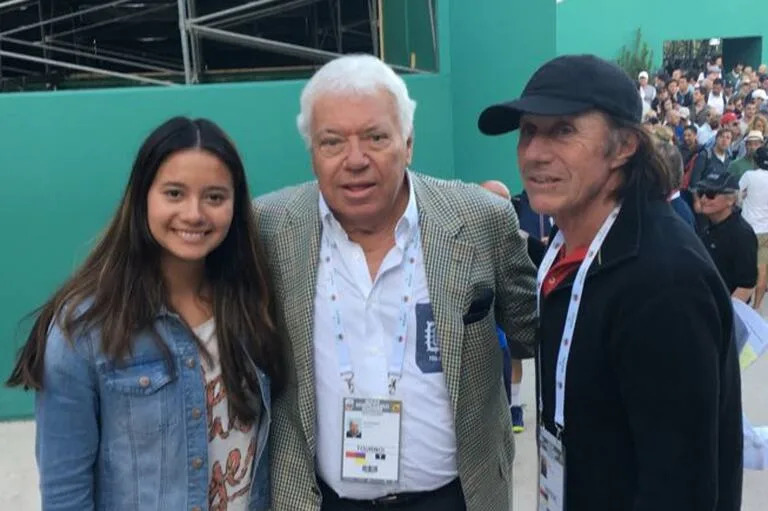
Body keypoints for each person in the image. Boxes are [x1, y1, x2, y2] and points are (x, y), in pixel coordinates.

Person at [254, 54, 538, 511]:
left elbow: (533, 329)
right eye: (332, 142)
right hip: (321, 500)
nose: (355, 159)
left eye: (375, 137)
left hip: (456, 498)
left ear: (407, 143)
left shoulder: (481, 219)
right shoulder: (268, 228)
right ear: (312, 153)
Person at [478, 54, 742, 510]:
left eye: (563, 130)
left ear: (624, 147)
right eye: (529, 131)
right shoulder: (574, 249)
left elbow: (679, 486)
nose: (536, 152)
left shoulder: (662, 280)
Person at [5, 117, 284, 511]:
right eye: (174, 193)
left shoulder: (250, 304)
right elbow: (65, 492)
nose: (194, 214)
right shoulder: (85, 328)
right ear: (142, 198)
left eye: (215, 197)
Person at [480, 180, 529, 434]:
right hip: (476, 335)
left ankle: (515, 407)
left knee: (513, 357)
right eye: (495, 201)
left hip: (504, 332)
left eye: (506, 202)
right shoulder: (461, 238)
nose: (502, 208)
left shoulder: (517, 239)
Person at [695, 172, 757, 302]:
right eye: (701, 192)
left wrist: (726, 314)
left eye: (711, 194)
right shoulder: (706, 223)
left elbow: (746, 286)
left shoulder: (742, 234)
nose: (703, 199)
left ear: (730, 200)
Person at [739, 146, 768, 309]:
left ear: (755, 161)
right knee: (762, 269)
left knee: (747, 269)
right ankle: (756, 308)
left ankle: (742, 307)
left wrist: (742, 200)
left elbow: (736, 193)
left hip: (748, 228)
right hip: (765, 229)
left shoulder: (749, 175)